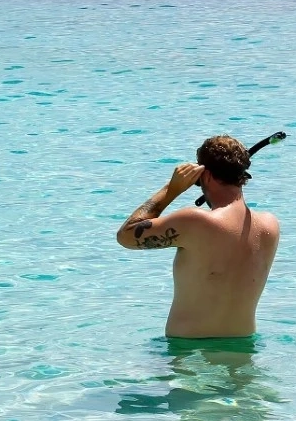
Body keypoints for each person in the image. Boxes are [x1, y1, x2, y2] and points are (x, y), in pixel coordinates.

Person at [116, 134, 281, 342]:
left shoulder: (194, 222)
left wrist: (171, 189)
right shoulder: (269, 226)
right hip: (243, 347)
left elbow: (126, 235)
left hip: (189, 351)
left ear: (206, 175)